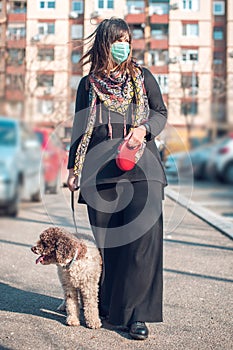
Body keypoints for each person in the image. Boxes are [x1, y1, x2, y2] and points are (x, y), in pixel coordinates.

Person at [67, 17, 167, 340]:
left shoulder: (143, 78)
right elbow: (79, 129)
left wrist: (144, 129)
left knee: (141, 245)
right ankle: (109, 306)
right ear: (104, 45)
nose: (124, 45)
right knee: (110, 246)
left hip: (144, 173)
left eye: (127, 39)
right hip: (100, 175)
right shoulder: (87, 85)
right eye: (117, 40)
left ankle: (136, 315)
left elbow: (160, 113)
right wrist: (73, 169)